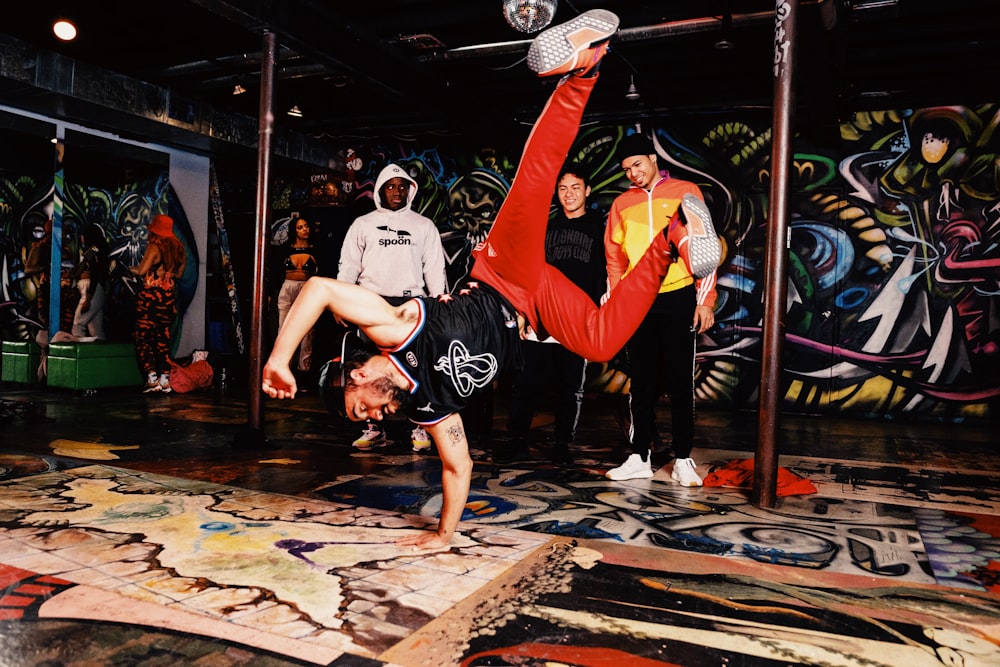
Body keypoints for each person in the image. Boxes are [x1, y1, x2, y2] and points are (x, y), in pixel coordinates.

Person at [262, 9, 699, 549]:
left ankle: (583, 68)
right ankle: (673, 236)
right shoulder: (427, 407)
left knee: (537, 182)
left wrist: (280, 359)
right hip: (531, 308)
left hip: (500, 275)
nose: (373, 415)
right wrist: (444, 535)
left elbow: (321, 288)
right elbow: (458, 467)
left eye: (362, 409)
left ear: (354, 377)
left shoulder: (392, 330)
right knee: (603, 340)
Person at [602, 132, 719, 485]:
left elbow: (705, 248)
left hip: (678, 296)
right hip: (638, 302)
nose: (633, 173)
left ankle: (683, 459)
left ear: (653, 160)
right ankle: (639, 456)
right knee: (641, 383)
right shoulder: (621, 203)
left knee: (681, 382)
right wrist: (619, 302)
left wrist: (705, 301)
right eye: (626, 169)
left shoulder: (686, 192)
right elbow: (614, 259)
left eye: (637, 164)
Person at [337, 163, 447, 453]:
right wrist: (341, 301)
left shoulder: (424, 225)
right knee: (369, 369)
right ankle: (374, 428)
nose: (397, 191)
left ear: (410, 190)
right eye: (391, 186)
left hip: (411, 305)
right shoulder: (363, 224)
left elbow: (435, 269)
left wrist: (439, 305)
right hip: (371, 303)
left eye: (403, 186)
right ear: (380, 191)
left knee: (415, 369)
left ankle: (419, 426)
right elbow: (348, 264)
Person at [504, 163, 606, 465]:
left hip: (577, 321)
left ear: (587, 191)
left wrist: (598, 316)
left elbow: (605, 276)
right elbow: (527, 274)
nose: (569, 194)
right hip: (540, 317)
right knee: (525, 385)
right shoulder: (545, 228)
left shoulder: (599, 230)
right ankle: (517, 441)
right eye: (563, 188)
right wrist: (522, 311)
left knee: (571, 389)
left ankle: (562, 444)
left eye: (575, 187)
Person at [131, 214, 187, 394]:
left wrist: (127, 268)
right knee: (163, 340)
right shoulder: (179, 248)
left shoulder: (155, 246)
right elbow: (179, 275)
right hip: (168, 298)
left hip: (150, 298)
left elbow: (141, 270)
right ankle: (165, 380)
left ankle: (152, 379)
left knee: (144, 338)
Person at [275, 215, 320, 385]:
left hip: (306, 288)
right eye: (300, 227)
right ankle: (284, 368)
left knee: (307, 332)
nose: (305, 230)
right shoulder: (285, 250)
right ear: (294, 230)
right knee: (283, 329)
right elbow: (275, 272)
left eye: (306, 226)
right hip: (287, 287)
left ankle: (304, 373)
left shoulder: (315, 250)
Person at [69, 223, 110, 341]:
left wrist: (88, 298)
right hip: (97, 290)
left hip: (92, 289)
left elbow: (94, 274)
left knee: (78, 324)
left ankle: (79, 355)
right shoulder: (99, 250)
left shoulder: (93, 250)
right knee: (96, 331)